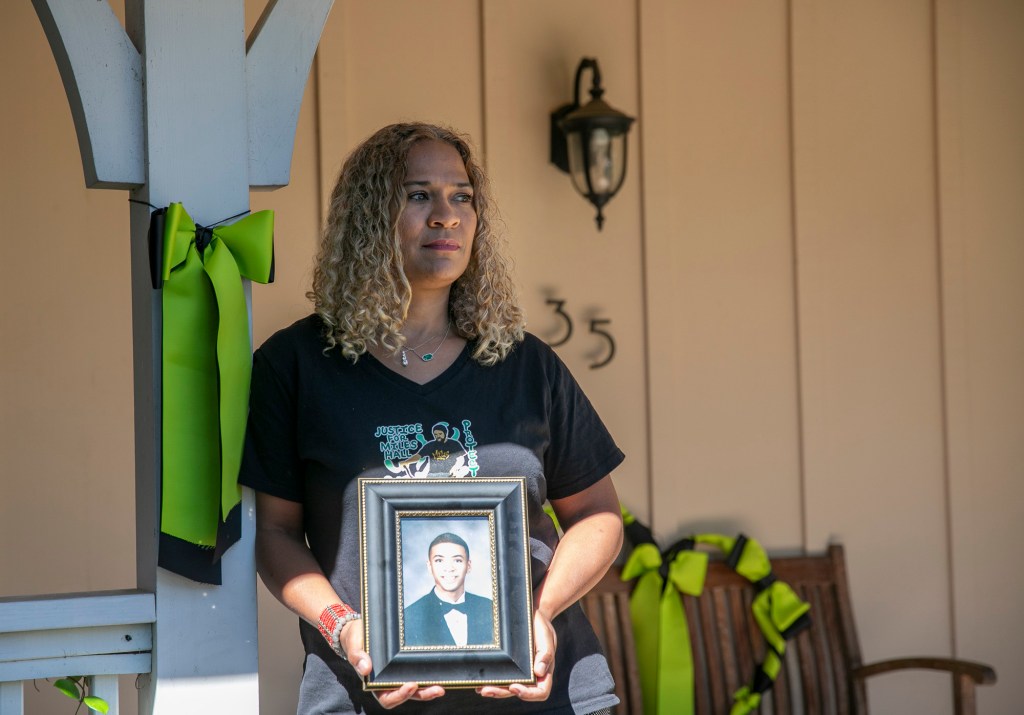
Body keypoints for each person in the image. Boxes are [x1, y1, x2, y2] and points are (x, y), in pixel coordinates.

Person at [241, 122, 624, 714]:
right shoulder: (294, 368)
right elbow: (277, 534)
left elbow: (598, 514)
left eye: (462, 196)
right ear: (369, 218)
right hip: (363, 695)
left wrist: (538, 614)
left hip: (546, 695)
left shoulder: (526, 364)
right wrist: (344, 626)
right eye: (418, 194)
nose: (446, 215)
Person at [403, 532, 494, 647]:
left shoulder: (490, 609)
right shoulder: (409, 617)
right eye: (439, 561)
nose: (449, 568)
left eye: (457, 560)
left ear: (468, 566)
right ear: (430, 567)